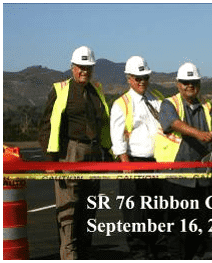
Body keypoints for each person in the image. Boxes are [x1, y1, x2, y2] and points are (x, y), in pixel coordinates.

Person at [38, 46, 112, 260]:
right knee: (69, 208)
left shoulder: (96, 90)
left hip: (94, 154)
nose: (84, 71)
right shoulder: (60, 89)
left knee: (89, 207)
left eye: (88, 67)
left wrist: (107, 154)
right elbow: (45, 126)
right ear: (72, 68)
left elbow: (104, 124)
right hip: (70, 152)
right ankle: (69, 255)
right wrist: (50, 161)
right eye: (80, 67)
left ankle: (86, 251)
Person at [155, 62, 212, 260]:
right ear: (178, 84)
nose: (190, 85)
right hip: (177, 178)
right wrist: (200, 134)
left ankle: (197, 257)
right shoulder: (169, 104)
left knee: (202, 224)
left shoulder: (207, 106)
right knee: (176, 226)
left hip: (202, 178)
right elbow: (173, 123)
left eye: (194, 82)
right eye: (185, 82)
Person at [110, 56, 165, 259]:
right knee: (136, 213)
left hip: (157, 164)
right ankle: (139, 252)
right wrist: (127, 167)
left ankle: (158, 250)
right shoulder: (121, 104)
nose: (142, 81)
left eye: (145, 77)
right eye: (137, 77)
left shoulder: (156, 97)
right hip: (134, 162)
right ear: (129, 78)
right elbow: (117, 140)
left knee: (157, 209)